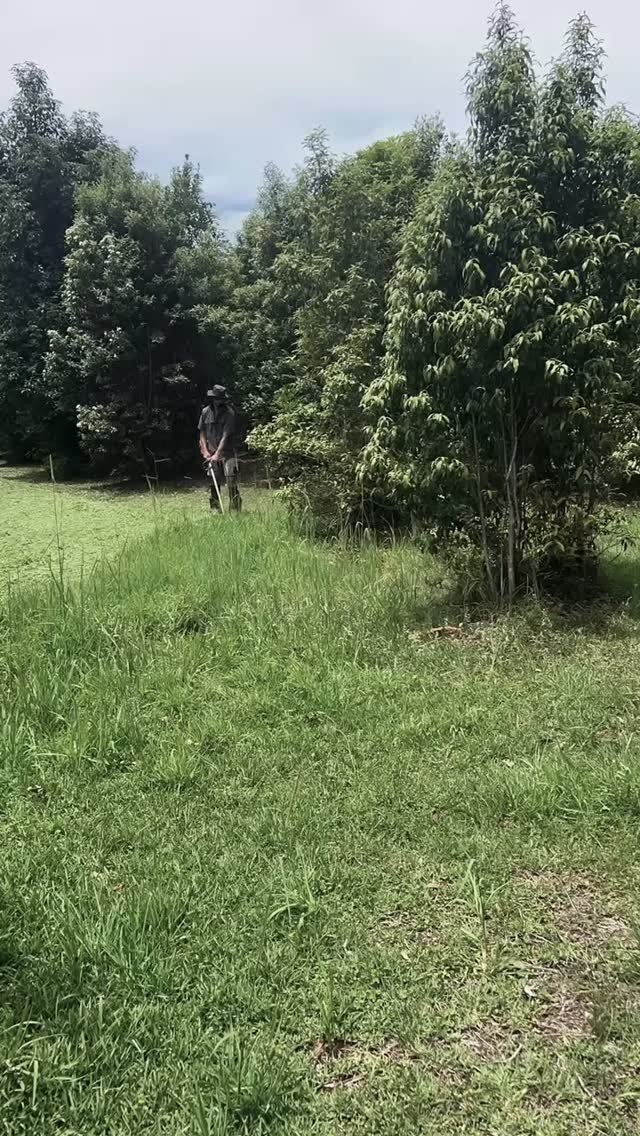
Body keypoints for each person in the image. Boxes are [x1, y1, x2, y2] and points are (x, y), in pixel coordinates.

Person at [198, 385, 242, 512]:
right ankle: (215, 508)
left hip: (227, 452)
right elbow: (202, 432)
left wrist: (218, 454)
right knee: (213, 480)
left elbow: (226, 435)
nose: (218, 401)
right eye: (216, 398)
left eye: (220, 399)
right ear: (213, 398)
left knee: (230, 478)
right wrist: (205, 450)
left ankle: (235, 507)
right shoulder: (205, 412)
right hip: (211, 452)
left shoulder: (229, 413)